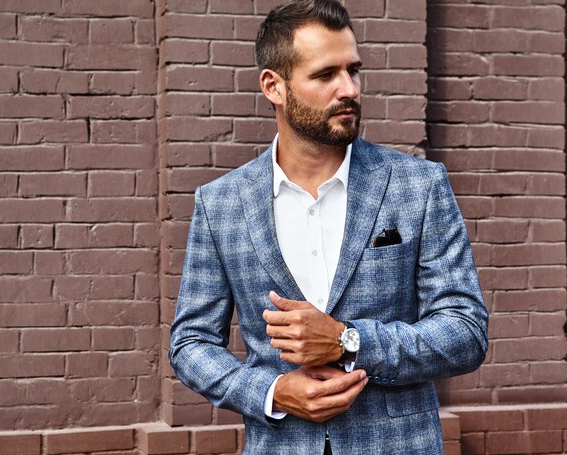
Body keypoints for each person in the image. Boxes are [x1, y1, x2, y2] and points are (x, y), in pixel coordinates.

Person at [169, 1, 488, 453]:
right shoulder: (222, 204)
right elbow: (191, 343)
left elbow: (466, 332)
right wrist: (271, 392)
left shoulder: (418, 186)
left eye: (353, 71)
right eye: (325, 75)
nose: (349, 89)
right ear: (273, 86)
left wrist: (346, 340)